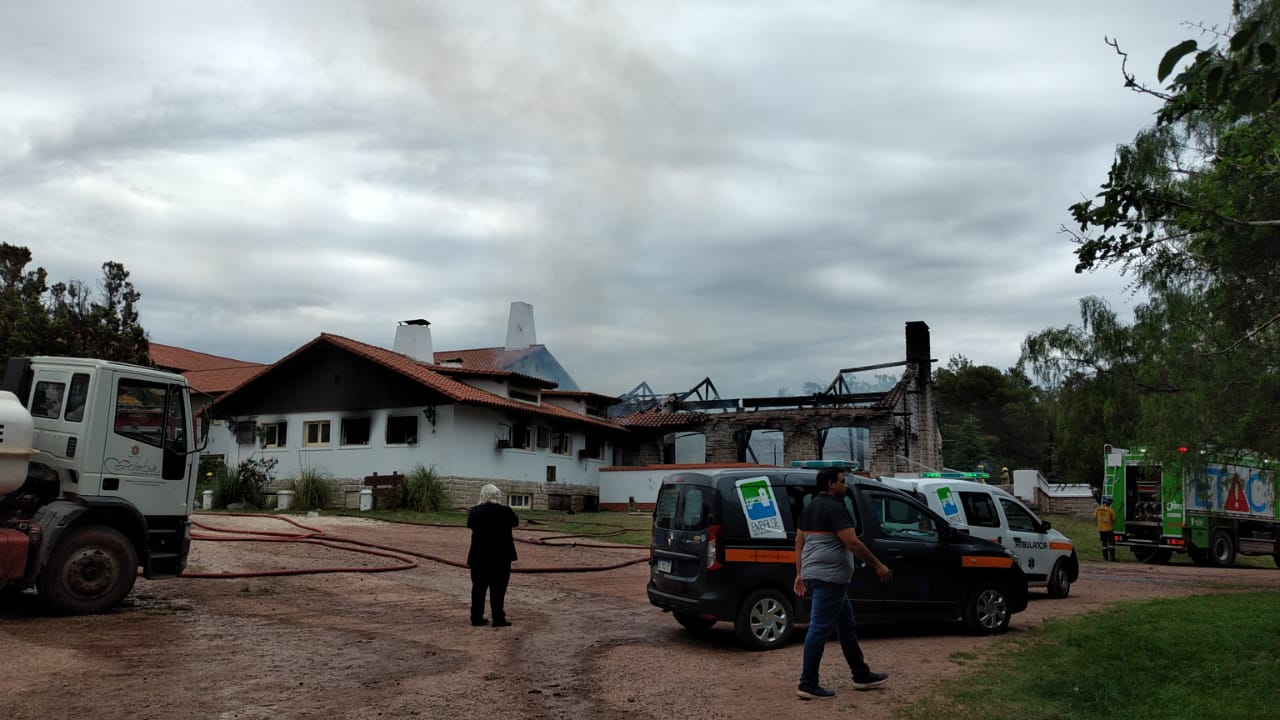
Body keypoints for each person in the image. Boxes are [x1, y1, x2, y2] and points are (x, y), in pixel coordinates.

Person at [793, 467, 893, 700]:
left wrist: (799, 572)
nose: (845, 486)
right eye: (842, 481)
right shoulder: (835, 508)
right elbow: (853, 543)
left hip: (817, 576)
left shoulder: (808, 508)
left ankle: (861, 674)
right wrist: (879, 566)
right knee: (818, 629)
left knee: (846, 624)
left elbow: (799, 542)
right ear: (830, 484)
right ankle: (807, 683)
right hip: (830, 579)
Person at [467, 483, 519, 627]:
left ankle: (476, 617)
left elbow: (470, 525)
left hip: (478, 556)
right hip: (501, 557)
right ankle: (498, 618)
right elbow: (516, 522)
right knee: (498, 589)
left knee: (478, 588)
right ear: (497, 496)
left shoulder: (475, 512)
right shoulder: (505, 511)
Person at [1094, 495, 1116, 561]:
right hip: (1109, 529)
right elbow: (1114, 519)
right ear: (1108, 503)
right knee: (1111, 544)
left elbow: (1095, 517)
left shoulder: (1097, 509)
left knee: (1104, 545)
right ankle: (1112, 558)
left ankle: (1105, 559)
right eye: (1110, 502)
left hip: (1101, 529)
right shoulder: (1110, 510)